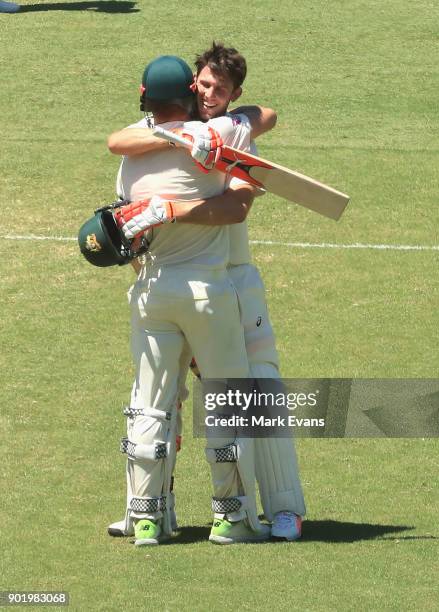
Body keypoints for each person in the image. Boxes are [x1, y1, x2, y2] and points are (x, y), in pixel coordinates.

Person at [108, 43, 306, 542]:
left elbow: (260, 132)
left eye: (221, 88)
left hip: (233, 280)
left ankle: (283, 509)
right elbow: (118, 140)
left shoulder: (233, 138)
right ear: (190, 85)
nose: (210, 93)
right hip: (180, 283)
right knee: (158, 399)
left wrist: (208, 143)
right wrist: (178, 142)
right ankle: (151, 511)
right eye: (203, 84)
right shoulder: (158, 136)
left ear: (234, 93)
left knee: (256, 391)